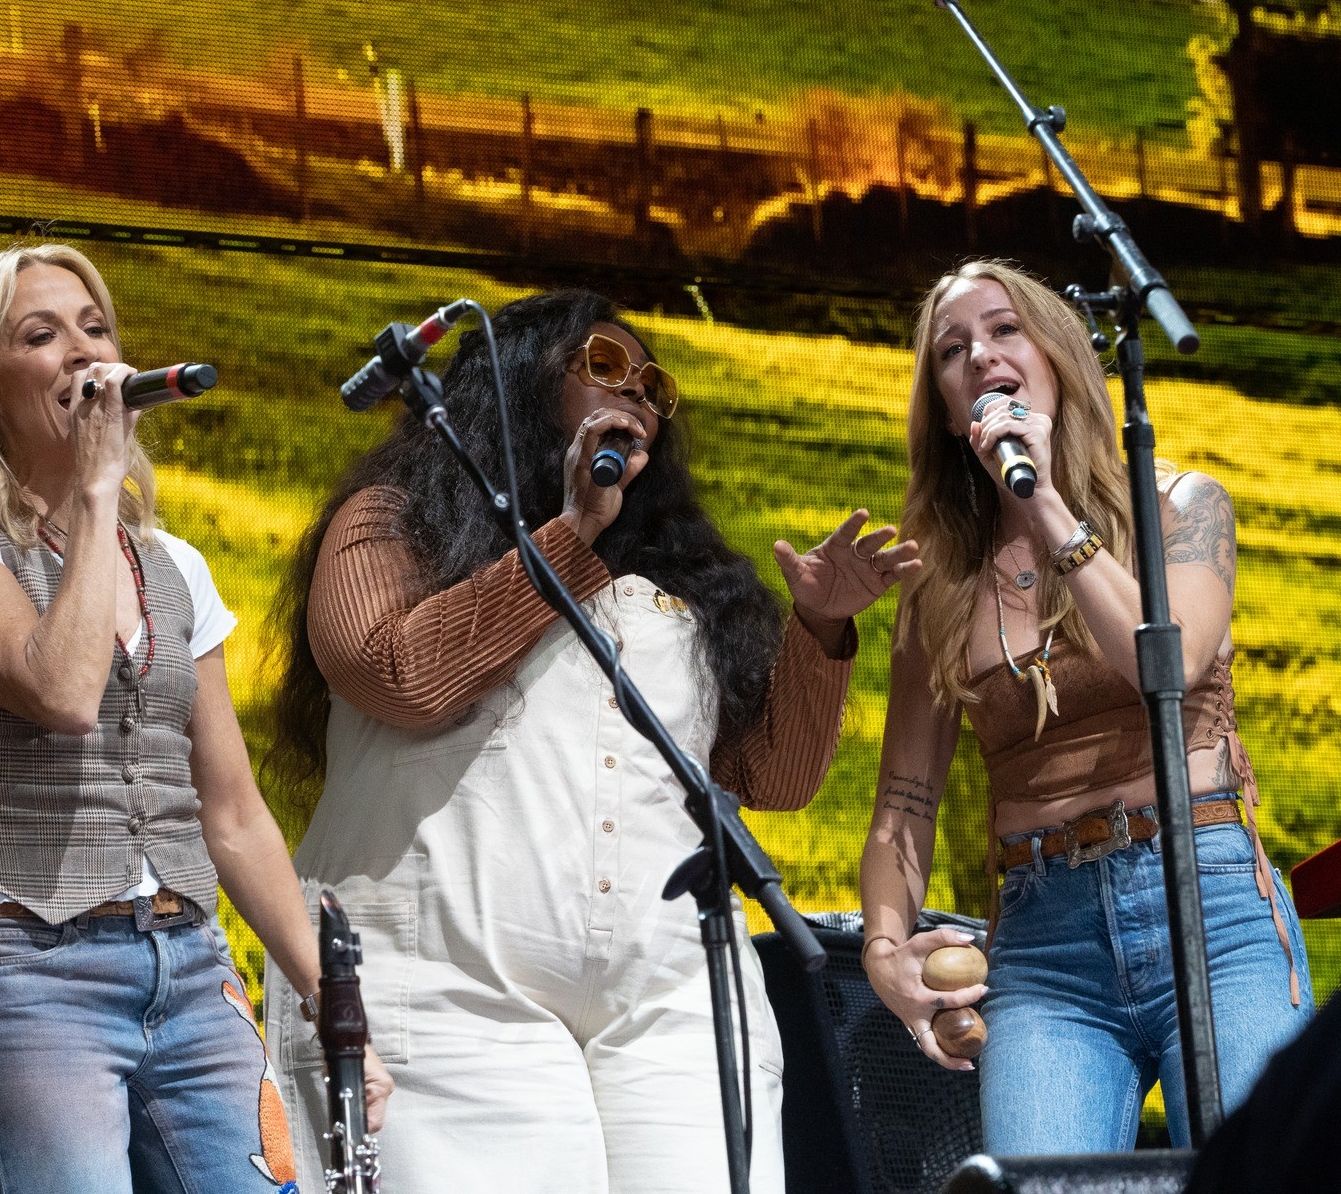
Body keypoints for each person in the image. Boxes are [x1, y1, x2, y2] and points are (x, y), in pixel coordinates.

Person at [265, 289, 918, 1192]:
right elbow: (397, 675)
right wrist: (571, 535)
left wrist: (819, 631)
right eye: (605, 368)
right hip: (447, 980)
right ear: (519, 384)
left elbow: (770, 772)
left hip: (665, 993)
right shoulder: (393, 519)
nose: (638, 394)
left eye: (654, 385)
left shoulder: (688, 580)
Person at [0, 242, 390, 1194]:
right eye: (41, 334)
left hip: (188, 960)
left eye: (95, 326)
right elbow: (62, 691)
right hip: (31, 967)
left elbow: (231, 812)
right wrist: (95, 485)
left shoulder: (177, 569)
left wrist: (333, 1003)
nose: (83, 352)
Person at [859, 261, 1312, 1152]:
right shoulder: (939, 587)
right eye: (952, 351)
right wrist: (883, 949)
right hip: (1044, 935)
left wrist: (1047, 507)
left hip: (1207, 897)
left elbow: (1166, 660)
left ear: (1058, 356)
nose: (980, 356)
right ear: (948, 411)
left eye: (1002, 330)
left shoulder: (1181, 506)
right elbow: (904, 806)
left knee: (1257, 1174)